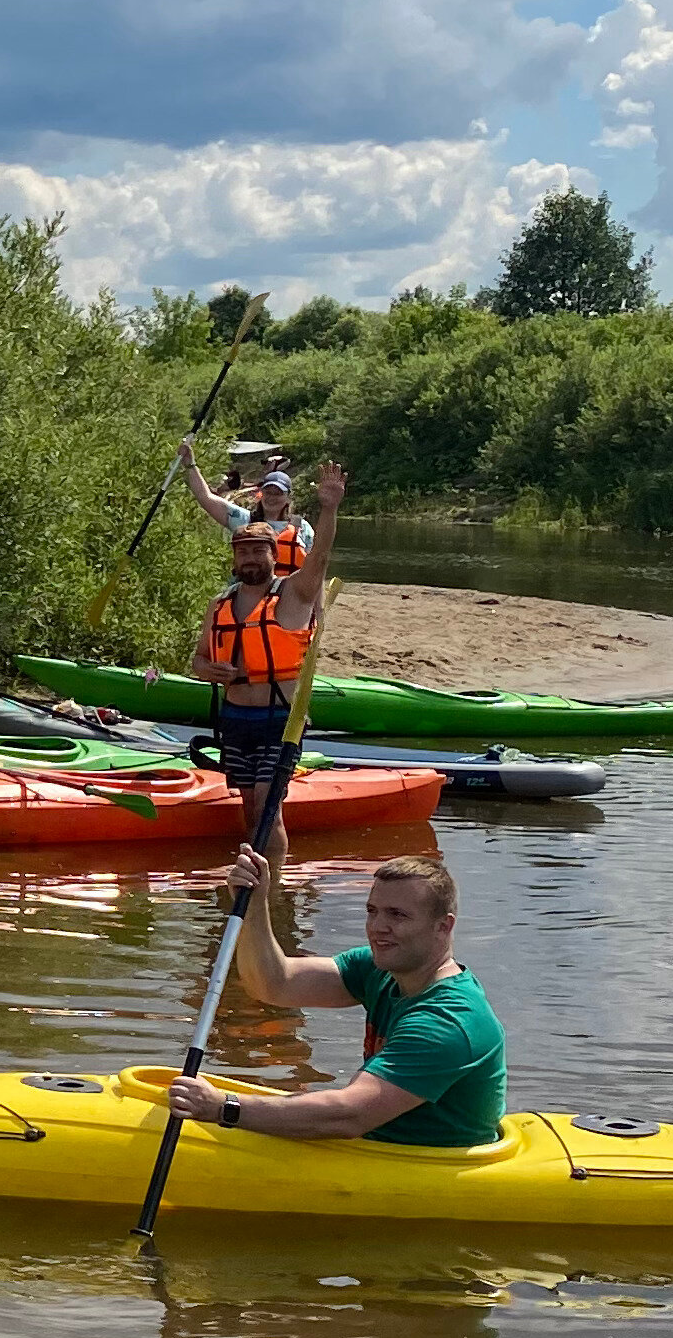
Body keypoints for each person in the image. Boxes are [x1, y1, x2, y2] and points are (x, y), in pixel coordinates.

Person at [163, 850, 504, 1145]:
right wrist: (255, 905)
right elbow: (274, 984)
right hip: (377, 1144)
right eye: (373, 911)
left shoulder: (447, 1022)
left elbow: (348, 1116)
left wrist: (223, 1108)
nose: (377, 926)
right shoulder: (379, 970)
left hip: (427, 1166)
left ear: (443, 926)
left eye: (397, 915)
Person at [192, 457, 347, 839]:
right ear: (234, 558)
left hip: (279, 721)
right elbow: (198, 660)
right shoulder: (220, 603)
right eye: (242, 552)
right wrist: (207, 670)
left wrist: (329, 508)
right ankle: (263, 886)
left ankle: (271, 893)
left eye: (257, 552)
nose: (249, 559)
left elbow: (321, 557)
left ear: (272, 556)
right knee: (249, 810)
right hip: (235, 719)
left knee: (266, 808)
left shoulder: (292, 594)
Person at [183, 440, 312, 575]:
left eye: (278, 493)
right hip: (248, 592)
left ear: (288, 498)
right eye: (268, 492)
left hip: (288, 593)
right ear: (262, 493)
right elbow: (206, 498)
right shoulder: (245, 520)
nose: (272, 497)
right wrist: (190, 465)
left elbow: (316, 564)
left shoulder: (303, 528)